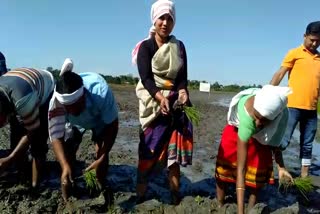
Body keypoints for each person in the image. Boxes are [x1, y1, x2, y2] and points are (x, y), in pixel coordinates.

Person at [132, 0, 193, 205]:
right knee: (147, 153)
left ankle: (175, 197)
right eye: (161, 18)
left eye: (170, 19)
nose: (165, 23)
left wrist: (183, 91)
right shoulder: (145, 47)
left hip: (175, 106)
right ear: (154, 20)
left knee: (173, 158)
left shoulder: (179, 46)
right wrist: (160, 98)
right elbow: (146, 78)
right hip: (153, 105)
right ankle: (140, 196)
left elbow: (183, 77)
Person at [215, 85, 293, 214]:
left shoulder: (281, 115)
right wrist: (240, 212)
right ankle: (220, 205)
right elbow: (241, 169)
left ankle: (252, 208)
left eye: (264, 120)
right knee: (223, 173)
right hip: (236, 135)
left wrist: (281, 167)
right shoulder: (246, 115)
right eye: (257, 117)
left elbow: (275, 141)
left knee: (256, 178)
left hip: (262, 141)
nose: (257, 123)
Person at [48, 58, 119, 201]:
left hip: (98, 120)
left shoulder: (99, 91)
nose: (73, 110)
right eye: (68, 108)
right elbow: (56, 136)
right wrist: (64, 165)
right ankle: (68, 194)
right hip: (74, 124)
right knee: (67, 152)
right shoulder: (56, 103)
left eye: (76, 105)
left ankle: (101, 186)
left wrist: (103, 155)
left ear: (84, 95)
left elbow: (113, 125)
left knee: (101, 153)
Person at [270, 21, 320, 177]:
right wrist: (268, 91)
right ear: (304, 36)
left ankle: (304, 176)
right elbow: (280, 73)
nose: (314, 43)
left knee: (307, 145)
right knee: (283, 141)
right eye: (312, 39)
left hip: (311, 110)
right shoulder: (295, 53)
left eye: (318, 41)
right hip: (292, 107)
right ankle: (279, 167)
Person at [0, 67, 54, 187]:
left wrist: (9, 159)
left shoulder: (23, 100)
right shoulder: (6, 101)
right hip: (17, 84)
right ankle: (22, 175)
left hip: (44, 88)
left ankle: (36, 184)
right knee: (16, 135)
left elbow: (32, 131)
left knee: (38, 140)